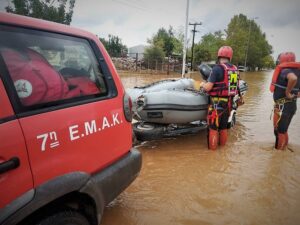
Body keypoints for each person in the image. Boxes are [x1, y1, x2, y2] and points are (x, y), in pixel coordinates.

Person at [200, 46, 240, 150]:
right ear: (230, 57)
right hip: (228, 105)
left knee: (213, 129)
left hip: (216, 105)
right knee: (223, 128)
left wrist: (202, 85)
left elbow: (208, 87)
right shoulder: (235, 69)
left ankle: (212, 156)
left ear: (219, 56)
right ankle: (222, 152)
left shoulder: (217, 68)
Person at [270, 52, 300, 150]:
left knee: (279, 131)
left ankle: (278, 154)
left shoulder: (285, 71)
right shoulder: (297, 71)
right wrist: (294, 94)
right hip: (290, 106)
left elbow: (293, 78)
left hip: (283, 107)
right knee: (283, 130)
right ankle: (285, 148)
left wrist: (287, 92)